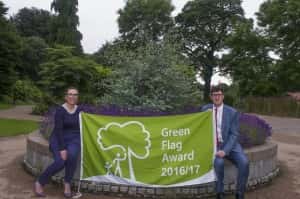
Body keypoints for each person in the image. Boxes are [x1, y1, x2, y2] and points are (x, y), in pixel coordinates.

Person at [201, 85, 249, 199]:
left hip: (230, 145)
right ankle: (219, 193)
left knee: (244, 163)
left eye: (219, 95)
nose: (217, 97)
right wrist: (205, 116)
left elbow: (234, 134)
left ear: (223, 96)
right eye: (214, 95)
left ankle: (239, 193)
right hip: (215, 145)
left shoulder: (232, 112)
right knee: (219, 163)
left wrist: (225, 150)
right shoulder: (205, 110)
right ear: (211, 97)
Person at [34, 87, 81, 198]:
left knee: (73, 156)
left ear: (77, 97)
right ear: (66, 96)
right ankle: (40, 182)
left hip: (74, 138)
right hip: (59, 138)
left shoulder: (80, 110)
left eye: (75, 94)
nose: (72, 96)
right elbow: (59, 130)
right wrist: (62, 148)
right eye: (70, 94)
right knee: (60, 161)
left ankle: (67, 184)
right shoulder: (60, 110)